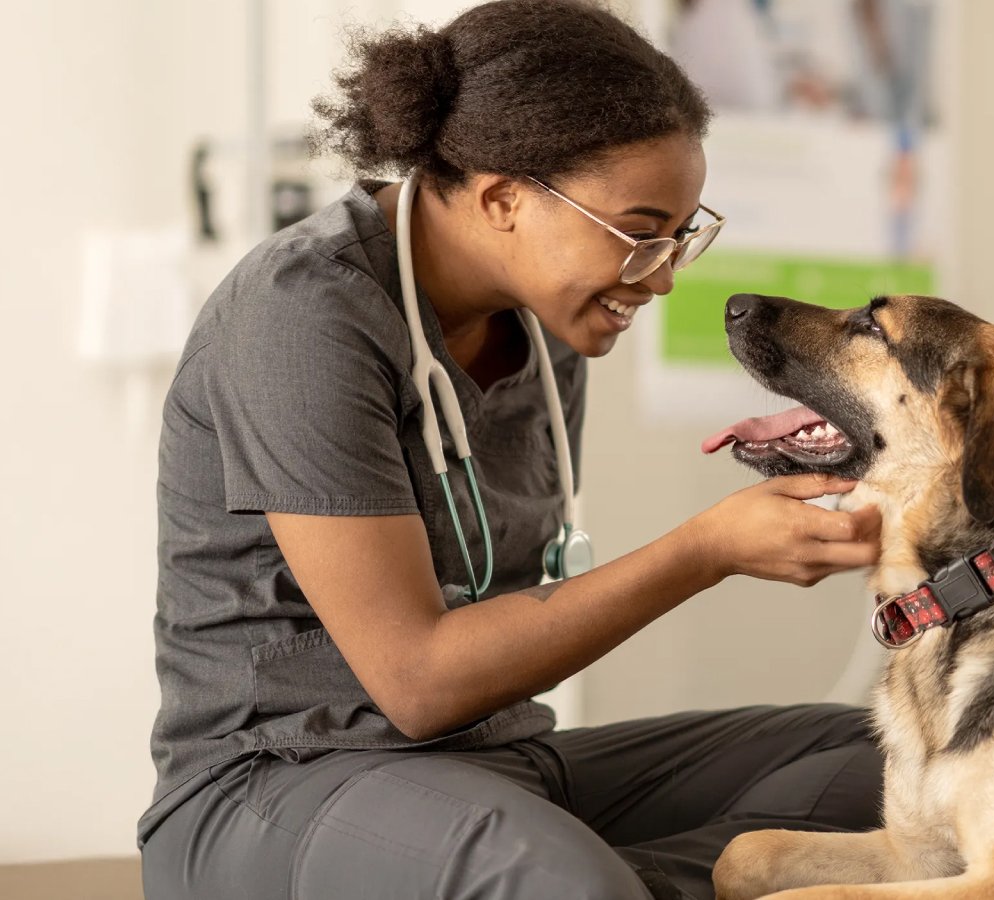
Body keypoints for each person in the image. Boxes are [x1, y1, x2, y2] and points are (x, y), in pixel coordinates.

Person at [137, 2, 885, 898]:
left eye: (681, 235)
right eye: (640, 232)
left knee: (891, 764)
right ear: (502, 199)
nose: (665, 274)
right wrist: (706, 551)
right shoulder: (303, 317)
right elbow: (417, 683)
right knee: (546, 870)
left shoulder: (546, 328)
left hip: (498, 765)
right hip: (277, 785)